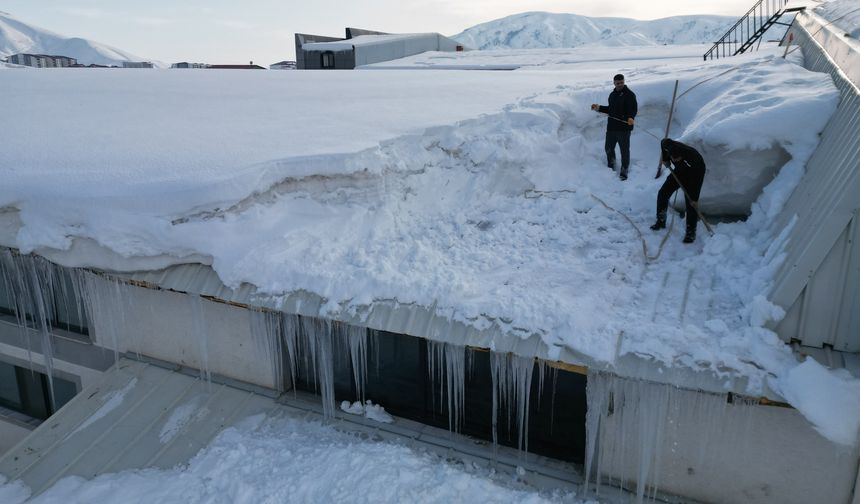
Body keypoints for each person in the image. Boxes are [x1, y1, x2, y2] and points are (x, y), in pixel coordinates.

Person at [650, 138, 707, 243]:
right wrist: (666, 159)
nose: (675, 161)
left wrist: (694, 198)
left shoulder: (693, 158)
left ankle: (690, 233)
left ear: (682, 155)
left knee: (691, 203)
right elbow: (663, 143)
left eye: (677, 159)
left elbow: (697, 180)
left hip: (694, 173)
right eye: (673, 159)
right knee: (663, 193)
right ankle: (661, 221)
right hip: (679, 171)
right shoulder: (668, 145)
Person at [591, 74, 638, 180]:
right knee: (608, 148)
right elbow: (611, 110)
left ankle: (624, 169)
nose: (620, 84)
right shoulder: (612, 95)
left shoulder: (630, 95)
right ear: (614, 83)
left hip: (624, 128)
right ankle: (611, 163)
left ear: (624, 82)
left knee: (624, 150)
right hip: (612, 127)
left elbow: (633, 109)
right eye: (618, 83)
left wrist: (630, 117)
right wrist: (598, 108)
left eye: (621, 82)